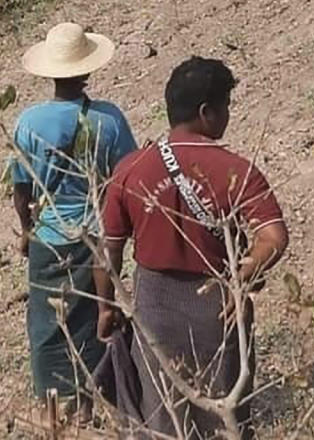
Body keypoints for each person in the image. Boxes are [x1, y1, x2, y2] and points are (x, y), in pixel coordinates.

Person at [98, 57, 288, 439]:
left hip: (155, 309)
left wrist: (105, 307)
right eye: (226, 107)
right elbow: (274, 238)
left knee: (164, 412)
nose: (228, 116)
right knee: (224, 413)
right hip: (217, 308)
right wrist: (246, 273)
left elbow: (107, 254)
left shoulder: (130, 170)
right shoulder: (236, 170)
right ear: (207, 112)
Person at [12, 22, 137, 415]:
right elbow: (123, 178)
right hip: (95, 234)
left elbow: (21, 189)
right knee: (94, 320)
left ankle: (54, 408)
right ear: (87, 70)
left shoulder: (28, 122)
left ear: (50, 72)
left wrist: (26, 230)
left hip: (49, 236)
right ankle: (89, 403)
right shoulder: (109, 119)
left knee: (47, 330)